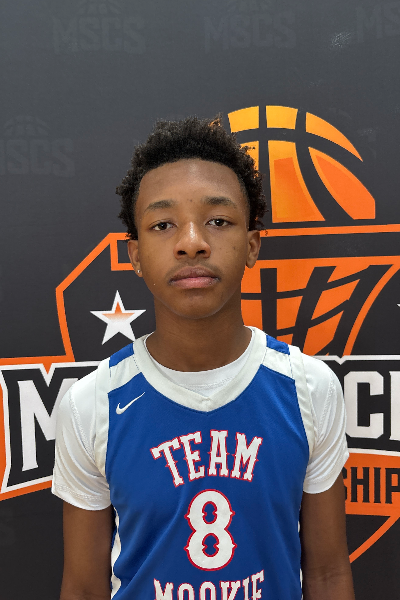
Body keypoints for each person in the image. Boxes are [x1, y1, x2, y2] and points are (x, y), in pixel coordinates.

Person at [52, 116, 355, 600]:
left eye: (218, 220)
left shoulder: (308, 387)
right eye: (163, 224)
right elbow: (85, 588)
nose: (191, 241)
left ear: (252, 245)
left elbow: (327, 575)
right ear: (134, 255)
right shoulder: (93, 403)